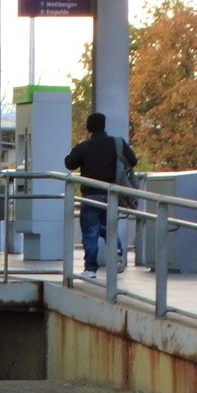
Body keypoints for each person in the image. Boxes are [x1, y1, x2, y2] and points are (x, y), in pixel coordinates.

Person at [64, 112, 137, 279]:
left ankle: (90, 268)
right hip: (113, 194)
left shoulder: (84, 147)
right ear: (104, 125)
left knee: (90, 232)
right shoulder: (117, 143)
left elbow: (69, 163)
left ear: (89, 127)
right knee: (108, 227)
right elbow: (133, 161)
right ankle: (117, 250)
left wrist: (77, 148)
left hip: (91, 195)